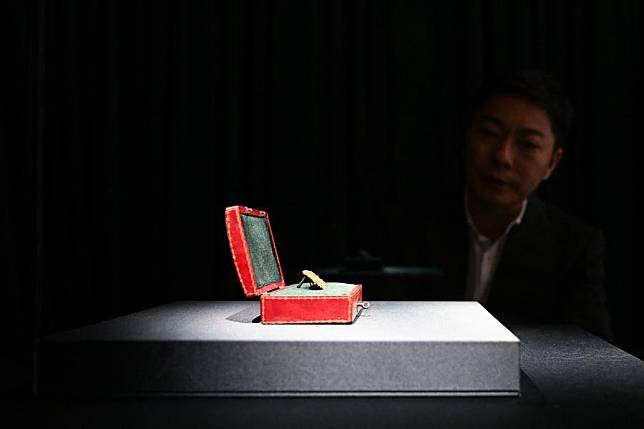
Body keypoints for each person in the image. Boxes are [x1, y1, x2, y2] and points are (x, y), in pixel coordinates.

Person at [386, 70, 613, 341]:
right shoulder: (408, 225)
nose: (503, 157)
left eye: (527, 145)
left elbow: (588, 355)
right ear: (467, 136)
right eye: (490, 133)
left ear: (551, 163)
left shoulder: (575, 247)